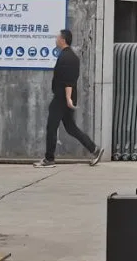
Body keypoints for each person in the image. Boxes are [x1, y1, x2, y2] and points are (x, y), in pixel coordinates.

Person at [37, 26, 98, 167]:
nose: (56, 39)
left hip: (61, 98)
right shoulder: (70, 56)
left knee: (51, 127)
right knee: (70, 127)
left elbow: (68, 81)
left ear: (63, 40)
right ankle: (94, 149)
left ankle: (49, 158)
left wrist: (68, 98)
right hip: (64, 98)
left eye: (57, 37)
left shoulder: (67, 57)